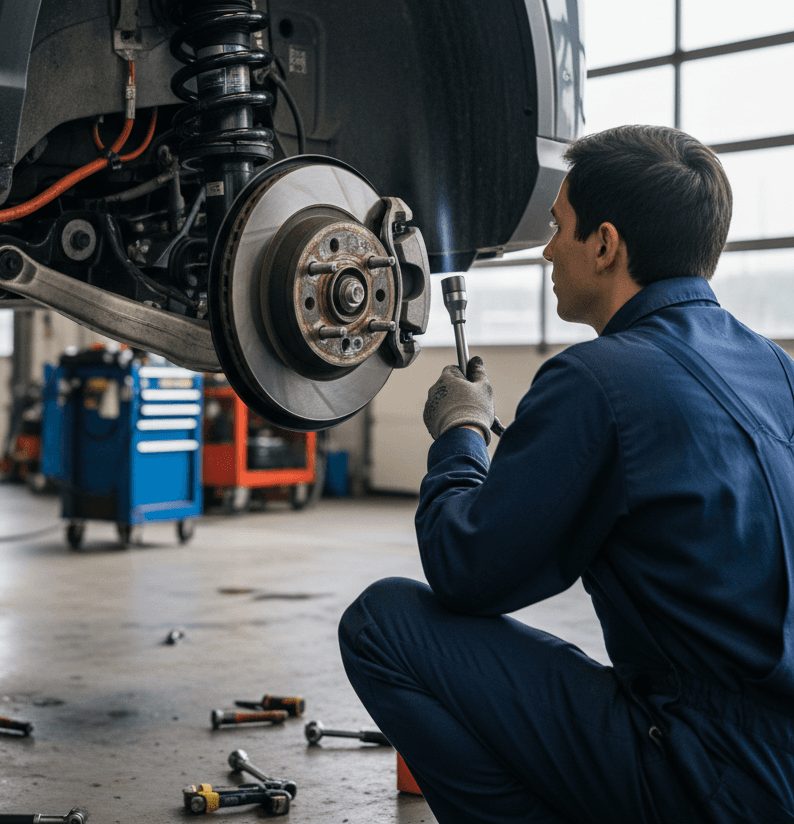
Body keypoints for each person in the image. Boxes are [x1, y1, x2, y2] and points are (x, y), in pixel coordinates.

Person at [339, 125, 794, 824]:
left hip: (706, 772)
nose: (548, 250)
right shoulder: (777, 369)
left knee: (382, 623)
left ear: (606, 244)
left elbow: (468, 571)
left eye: (559, 227)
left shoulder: (598, 379)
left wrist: (461, 434)